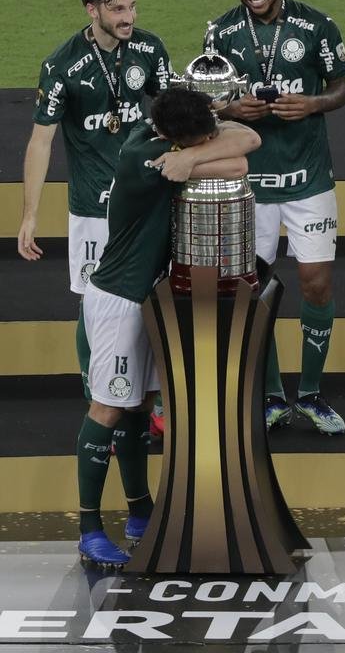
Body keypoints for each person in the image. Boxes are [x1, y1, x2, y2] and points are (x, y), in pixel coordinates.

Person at [78, 87, 261, 565]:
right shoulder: (148, 160)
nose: (209, 138)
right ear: (175, 140)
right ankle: (89, 527)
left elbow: (248, 136)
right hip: (120, 299)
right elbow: (240, 161)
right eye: (200, 138)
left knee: (140, 407)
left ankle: (140, 512)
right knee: (109, 407)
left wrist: (200, 147)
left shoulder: (154, 130)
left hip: (150, 297)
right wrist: (208, 149)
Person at [207, 0, 345, 435]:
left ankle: (310, 392)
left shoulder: (317, 27)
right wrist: (229, 106)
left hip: (309, 179)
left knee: (316, 283)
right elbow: (208, 103)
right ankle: (270, 395)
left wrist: (312, 104)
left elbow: (339, 89)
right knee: (254, 288)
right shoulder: (220, 34)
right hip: (250, 183)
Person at [17, 0, 173, 406]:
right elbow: (41, 139)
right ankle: (95, 392)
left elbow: (171, 113)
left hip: (145, 201)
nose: (129, 16)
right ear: (93, 9)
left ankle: (157, 396)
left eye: (132, 6)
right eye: (117, 8)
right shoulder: (62, 64)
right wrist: (30, 214)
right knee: (92, 306)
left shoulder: (148, 48)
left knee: (154, 295)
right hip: (92, 208)